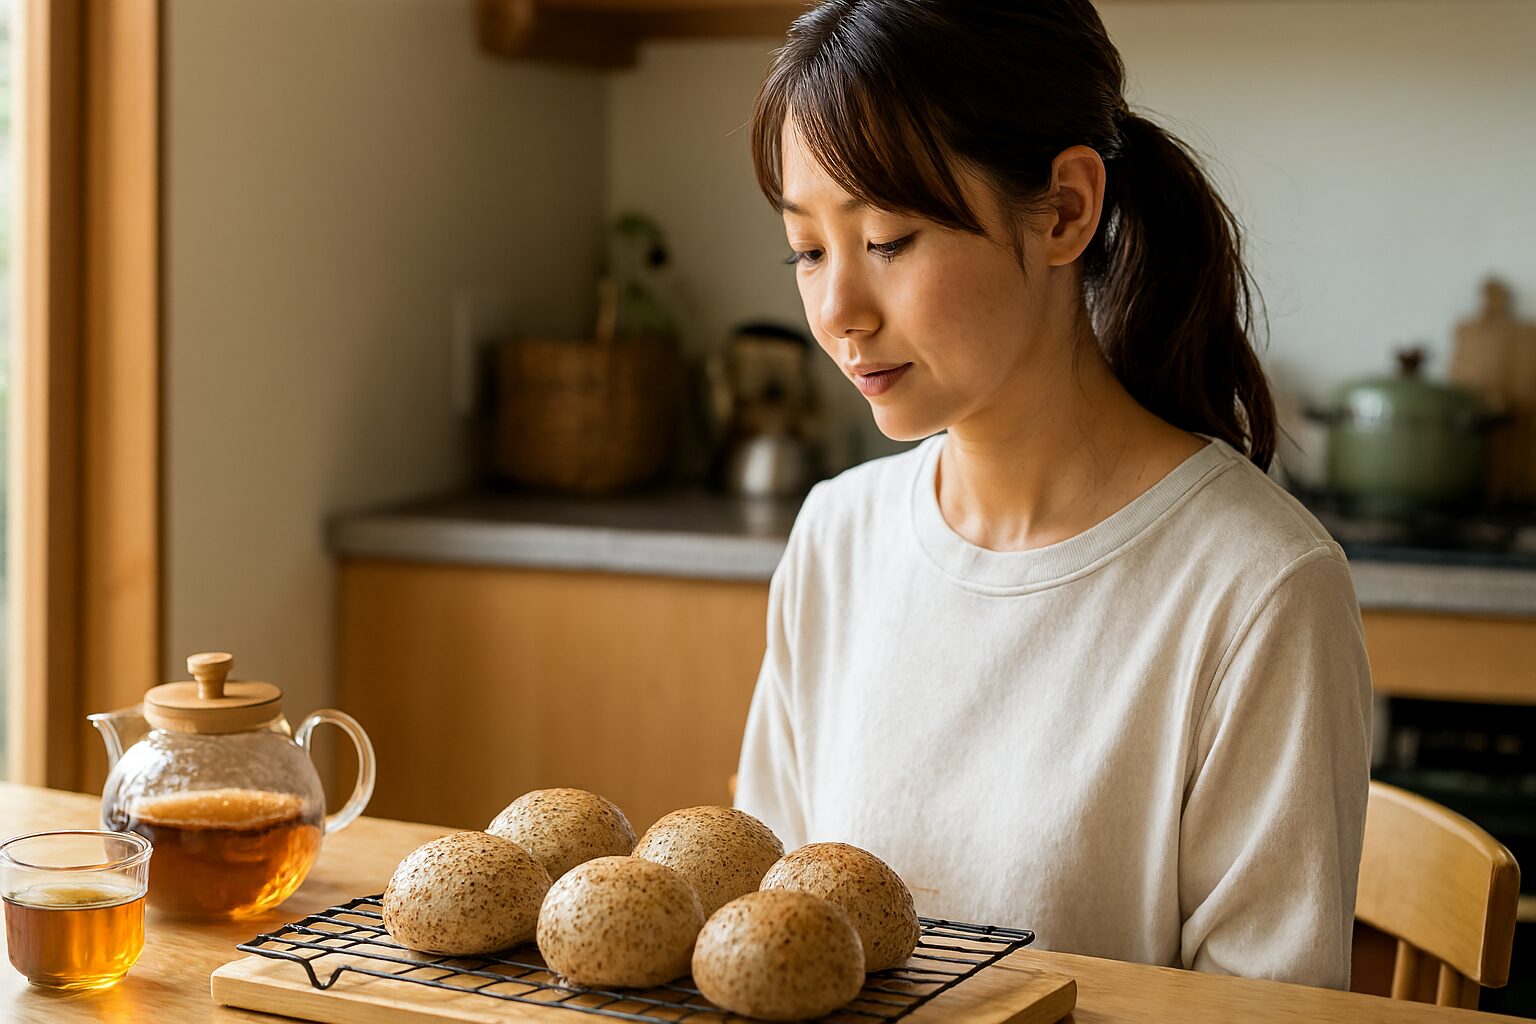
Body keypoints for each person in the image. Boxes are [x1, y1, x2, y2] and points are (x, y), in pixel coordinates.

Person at [732, 0, 1372, 991]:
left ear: (1067, 208)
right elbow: (763, 935)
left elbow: (1265, 1011)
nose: (837, 313)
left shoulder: (1259, 587)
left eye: (890, 239)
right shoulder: (838, 537)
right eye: (808, 250)